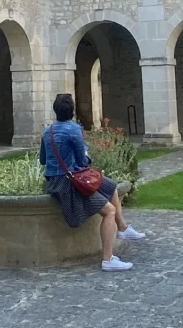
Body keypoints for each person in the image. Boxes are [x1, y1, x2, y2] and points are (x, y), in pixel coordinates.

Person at [39, 93, 145, 272]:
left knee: (109, 185)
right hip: (68, 183)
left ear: (55, 111)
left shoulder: (47, 131)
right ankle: (108, 259)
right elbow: (82, 161)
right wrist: (87, 158)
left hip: (56, 180)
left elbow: (43, 160)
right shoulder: (74, 129)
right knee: (109, 211)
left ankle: (123, 228)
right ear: (72, 111)